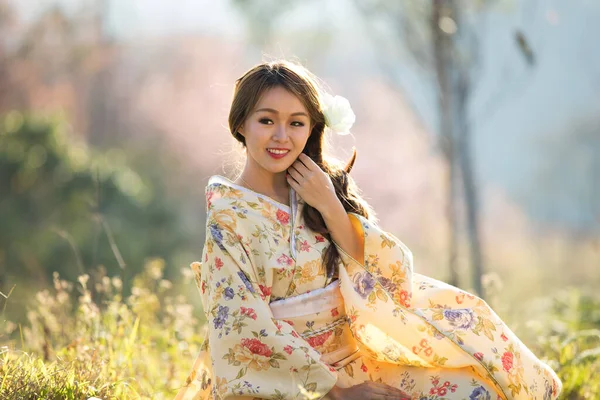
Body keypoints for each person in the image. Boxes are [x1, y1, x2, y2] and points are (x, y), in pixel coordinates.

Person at [175, 60, 561, 400]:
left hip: (355, 360)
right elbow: (242, 325)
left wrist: (327, 203)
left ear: (312, 129)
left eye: (296, 123)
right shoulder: (229, 215)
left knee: (475, 389)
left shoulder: (317, 191)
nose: (281, 137)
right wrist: (338, 390)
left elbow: (380, 273)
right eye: (266, 120)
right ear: (240, 124)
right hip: (289, 382)